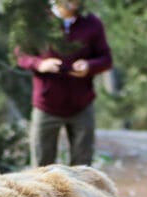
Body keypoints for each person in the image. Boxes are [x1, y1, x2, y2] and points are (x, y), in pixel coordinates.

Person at [14, 0, 112, 167]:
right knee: (41, 166)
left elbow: (106, 59)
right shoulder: (38, 21)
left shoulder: (92, 23)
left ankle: (78, 194)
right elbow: (21, 55)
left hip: (81, 104)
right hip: (47, 105)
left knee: (83, 166)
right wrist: (40, 64)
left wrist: (89, 66)